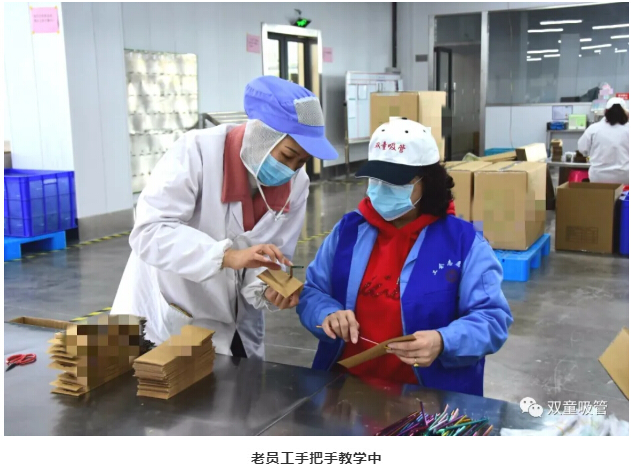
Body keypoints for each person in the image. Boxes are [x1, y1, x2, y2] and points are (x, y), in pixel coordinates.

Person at [112, 76, 337, 359]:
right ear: (262, 134)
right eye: (287, 155)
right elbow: (150, 231)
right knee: (166, 380)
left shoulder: (297, 184)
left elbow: (271, 256)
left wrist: (269, 287)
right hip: (168, 314)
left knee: (230, 382)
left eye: (301, 161)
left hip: (234, 325)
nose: (291, 169)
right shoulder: (197, 152)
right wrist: (226, 256)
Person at [297, 118, 512, 396]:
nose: (381, 189)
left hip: (427, 398)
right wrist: (326, 313)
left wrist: (443, 341)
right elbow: (313, 291)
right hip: (348, 391)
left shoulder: (463, 243)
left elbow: (492, 318)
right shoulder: (348, 232)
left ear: (427, 182)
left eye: (395, 182)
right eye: (376, 179)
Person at [578, 97, 629, 185]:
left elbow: (582, 148)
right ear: (626, 113)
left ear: (606, 111)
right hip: (625, 178)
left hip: (598, 178)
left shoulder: (594, 128)